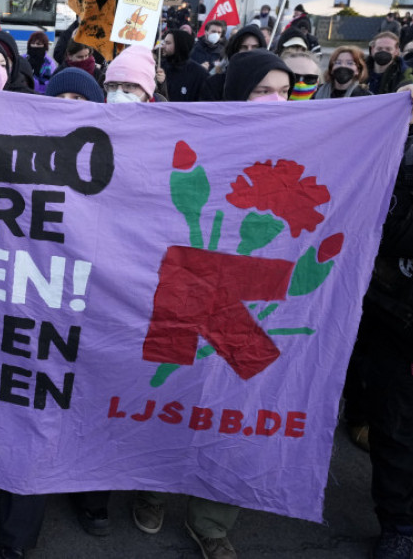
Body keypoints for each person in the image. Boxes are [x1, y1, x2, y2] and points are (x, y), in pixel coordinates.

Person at [133, 48, 295, 559]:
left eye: (285, 92)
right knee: (170, 394)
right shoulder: (200, 133)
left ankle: (213, 518)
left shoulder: (307, 142)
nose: (275, 101)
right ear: (235, 91)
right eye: (262, 91)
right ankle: (151, 487)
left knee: (236, 403)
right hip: (184, 282)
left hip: (245, 291)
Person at [357, 82, 413, 559]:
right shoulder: (409, 142)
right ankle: (399, 523)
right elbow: (383, 216)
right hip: (398, 314)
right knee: (396, 425)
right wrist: (404, 122)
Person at [160, 29, 207, 102]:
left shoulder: (199, 73)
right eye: (164, 43)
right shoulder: (160, 67)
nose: (163, 46)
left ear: (180, 45)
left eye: (168, 43)